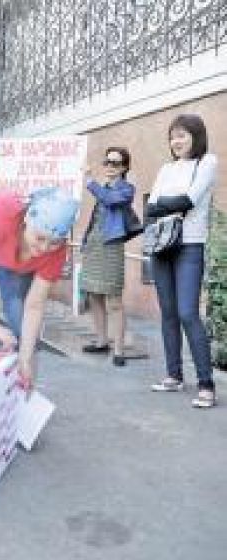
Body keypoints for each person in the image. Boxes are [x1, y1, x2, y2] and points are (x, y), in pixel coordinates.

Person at [0, 187, 79, 393]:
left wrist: (26, 358)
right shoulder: (5, 210)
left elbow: (35, 305)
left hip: (12, 265)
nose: (44, 248)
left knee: (22, 330)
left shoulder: (57, 250)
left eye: (54, 243)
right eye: (40, 238)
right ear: (28, 219)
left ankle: (15, 391)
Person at [147, 114, 217, 408]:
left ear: (196, 136)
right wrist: (168, 203)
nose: (176, 141)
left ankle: (206, 384)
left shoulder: (207, 162)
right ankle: (174, 376)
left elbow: (187, 201)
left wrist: (168, 202)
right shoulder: (166, 167)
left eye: (182, 135)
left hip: (189, 246)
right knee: (168, 313)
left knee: (188, 312)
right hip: (162, 245)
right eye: (173, 136)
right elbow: (150, 206)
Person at [81, 147, 136, 366]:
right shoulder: (103, 187)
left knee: (114, 300)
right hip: (95, 246)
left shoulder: (127, 189)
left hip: (111, 247)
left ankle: (119, 349)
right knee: (94, 295)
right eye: (107, 162)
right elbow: (95, 219)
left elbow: (110, 200)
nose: (110, 166)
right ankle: (101, 340)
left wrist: (89, 182)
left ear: (124, 167)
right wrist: (85, 243)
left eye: (116, 163)